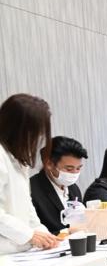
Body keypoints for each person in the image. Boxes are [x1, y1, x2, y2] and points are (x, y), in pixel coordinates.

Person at [0, 93, 59, 254]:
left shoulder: (17, 159)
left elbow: (27, 206)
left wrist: (42, 233)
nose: (38, 138)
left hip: (20, 251)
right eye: (36, 132)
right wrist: (29, 235)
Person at [30, 136, 87, 235]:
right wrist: (67, 232)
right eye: (69, 169)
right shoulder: (32, 190)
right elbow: (32, 233)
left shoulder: (73, 189)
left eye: (78, 168)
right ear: (49, 164)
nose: (74, 173)